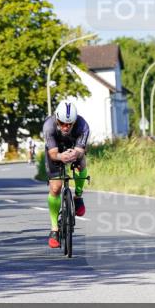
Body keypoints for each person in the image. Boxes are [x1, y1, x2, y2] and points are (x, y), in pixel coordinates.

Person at [42, 100, 90, 248]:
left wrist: (75, 154)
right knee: (56, 187)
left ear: (75, 122)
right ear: (57, 119)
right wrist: (61, 157)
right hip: (55, 151)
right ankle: (54, 229)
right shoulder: (49, 126)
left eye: (69, 124)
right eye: (62, 123)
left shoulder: (83, 125)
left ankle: (78, 196)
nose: (65, 127)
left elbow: (80, 150)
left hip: (73, 147)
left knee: (81, 163)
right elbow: (52, 153)